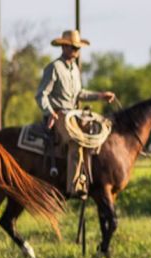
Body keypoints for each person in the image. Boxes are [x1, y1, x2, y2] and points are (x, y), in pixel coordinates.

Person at [36, 30, 115, 197]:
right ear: (64, 47)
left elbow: (80, 94)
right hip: (60, 115)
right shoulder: (54, 68)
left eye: (77, 48)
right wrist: (50, 113)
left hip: (74, 114)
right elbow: (41, 94)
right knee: (76, 141)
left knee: (96, 134)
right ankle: (74, 187)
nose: (76, 51)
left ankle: (92, 180)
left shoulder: (75, 70)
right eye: (72, 47)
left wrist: (100, 96)